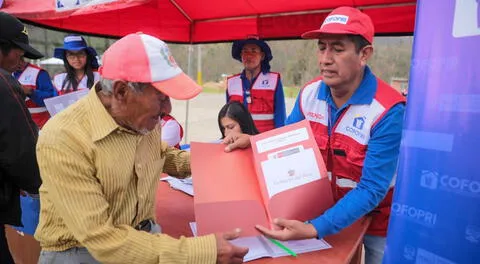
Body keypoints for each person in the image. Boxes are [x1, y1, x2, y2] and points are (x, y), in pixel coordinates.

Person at [35, 32, 248, 264]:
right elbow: (102, 239)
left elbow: (162, 154)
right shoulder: (64, 138)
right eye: (161, 97)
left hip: (144, 237)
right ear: (121, 92)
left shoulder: (142, 118)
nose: (167, 108)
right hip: (81, 253)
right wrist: (201, 251)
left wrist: (218, 156)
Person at [223, 7, 406, 264]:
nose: (325, 59)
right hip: (324, 211)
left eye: (338, 49)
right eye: (322, 48)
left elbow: (372, 188)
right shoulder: (309, 94)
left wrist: (314, 228)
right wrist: (253, 142)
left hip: (377, 218)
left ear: (364, 54)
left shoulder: (387, 110)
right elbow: (285, 140)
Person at [0, 12, 43, 264]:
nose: (21, 58)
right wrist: (39, 185)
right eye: (18, 50)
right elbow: (21, 152)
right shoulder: (5, 84)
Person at [226, 36, 286, 133]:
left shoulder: (274, 80)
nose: (249, 56)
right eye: (245, 51)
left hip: (265, 141)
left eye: (253, 51)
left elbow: (280, 119)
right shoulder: (232, 82)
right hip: (239, 141)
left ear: (262, 56)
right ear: (241, 55)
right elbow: (227, 119)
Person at [14, 57, 57, 129]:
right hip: (15, 125)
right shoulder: (6, 72)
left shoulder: (39, 73)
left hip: (39, 125)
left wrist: (31, 92)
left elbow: (50, 99)